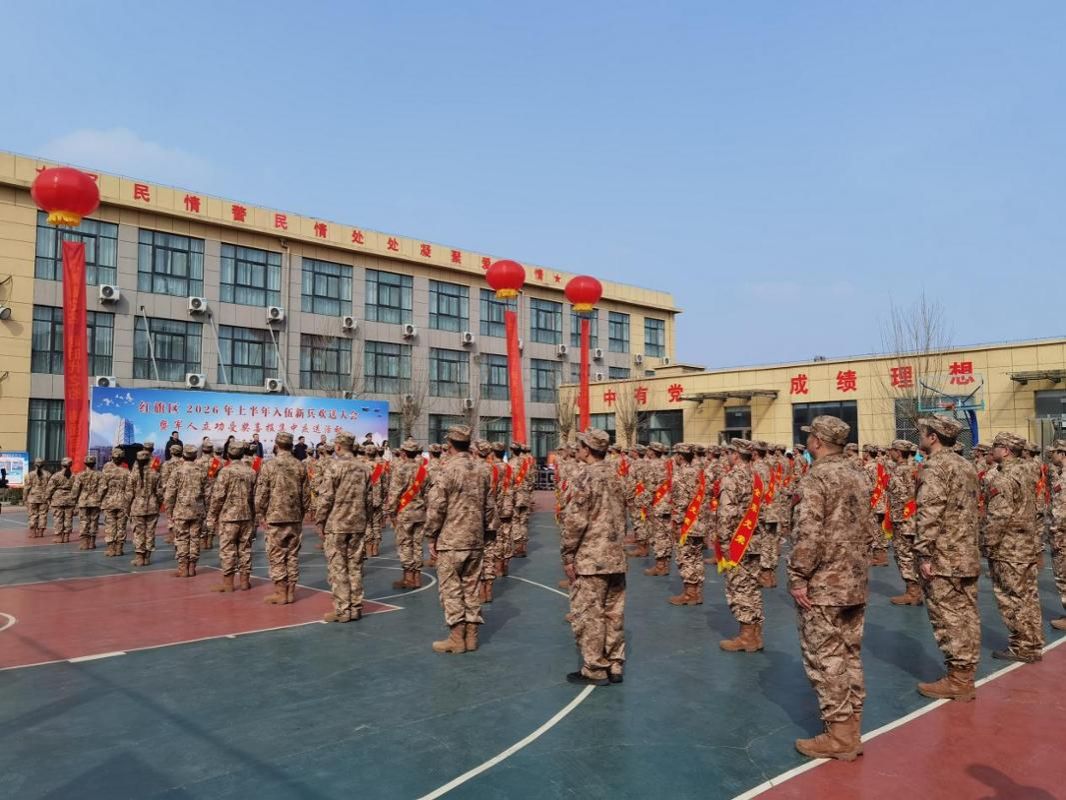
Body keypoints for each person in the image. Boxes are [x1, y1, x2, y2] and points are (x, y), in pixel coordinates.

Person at [789, 415, 875, 761]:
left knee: (825, 658)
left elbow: (808, 533)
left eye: (811, 437)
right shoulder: (859, 473)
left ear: (818, 442)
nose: (808, 441)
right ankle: (852, 726)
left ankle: (840, 735)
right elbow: (870, 527)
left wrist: (798, 575)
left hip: (825, 583)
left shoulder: (817, 477)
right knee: (849, 653)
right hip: (855, 579)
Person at [911, 416, 981, 701]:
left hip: (944, 556)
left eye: (923, 432)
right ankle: (965, 675)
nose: (920, 436)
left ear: (934, 437)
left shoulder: (935, 467)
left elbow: (930, 512)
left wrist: (923, 553)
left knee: (948, 617)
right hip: (966, 552)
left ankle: (958, 680)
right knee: (967, 615)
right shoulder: (966, 465)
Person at [559, 428, 627, 685]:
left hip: (591, 558)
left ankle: (595, 668)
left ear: (587, 450)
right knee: (614, 613)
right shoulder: (616, 475)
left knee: (590, 614)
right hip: (616, 556)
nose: (577, 451)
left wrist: (567, 555)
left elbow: (575, 521)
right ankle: (615, 663)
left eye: (580, 447)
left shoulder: (584, 476)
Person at [423, 425, 494, 654]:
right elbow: (490, 506)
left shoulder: (447, 469)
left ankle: (456, 638)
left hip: (452, 539)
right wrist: (487, 533)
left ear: (450, 444)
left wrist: (431, 535)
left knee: (451, 589)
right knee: (471, 588)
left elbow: (437, 506)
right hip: (475, 539)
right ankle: (471, 637)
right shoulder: (482, 469)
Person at [983, 431, 1044, 662]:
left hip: (1008, 548)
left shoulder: (1003, 478)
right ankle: (1033, 642)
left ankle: (1022, 647)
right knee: (1028, 597)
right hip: (1026, 543)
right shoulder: (1028, 471)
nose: (993, 450)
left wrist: (987, 544)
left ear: (1006, 451)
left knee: (1011, 599)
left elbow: (999, 516)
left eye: (996, 446)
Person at [316, 431, 373, 622]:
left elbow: (326, 497)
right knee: (355, 566)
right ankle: (356, 608)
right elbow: (369, 498)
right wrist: (367, 520)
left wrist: (320, 520)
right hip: (358, 523)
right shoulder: (365, 468)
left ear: (338, 446)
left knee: (338, 567)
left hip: (337, 524)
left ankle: (343, 610)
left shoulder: (334, 466)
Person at [718, 439, 764, 652]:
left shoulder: (732, 478)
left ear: (736, 455)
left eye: (730, 452)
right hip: (754, 540)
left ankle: (746, 637)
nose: (728, 456)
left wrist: (724, 542)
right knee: (752, 587)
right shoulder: (757, 477)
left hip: (739, 542)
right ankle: (756, 634)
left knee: (739, 588)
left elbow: (726, 513)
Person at [255, 431, 310, 605]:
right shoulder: (300, 465)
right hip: (294, 517)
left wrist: (260, 513)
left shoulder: (269, 465)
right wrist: (301, 513)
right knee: (292, 555)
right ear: (291, 446)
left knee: (276, 555)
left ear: (277, 446)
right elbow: (306, 495)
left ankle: (281, 593)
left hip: (275, 517)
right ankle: (291, 592)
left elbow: (262, 493)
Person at [208, 440, 257, 592]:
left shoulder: (225, 471)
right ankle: (245, 582)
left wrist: (212, 517)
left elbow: (218, 496)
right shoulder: (251, 472)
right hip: (246, 516)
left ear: (228, 454)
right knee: (245, 549)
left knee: (228, 550)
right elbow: (255, 497)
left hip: (229, 517)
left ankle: (228, 584)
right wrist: (255, 516)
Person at [667, 443, 708, 606]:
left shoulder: (680, 474)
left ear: (680, 457)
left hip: (687, 523)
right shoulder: (699, 472)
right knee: (697, 558)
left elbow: (680, 502)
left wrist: (677, 524)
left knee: (686, 558)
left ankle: (690, 594)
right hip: (700, 522)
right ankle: (697, 593)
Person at [387, 439, 430, 591]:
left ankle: (408, 577)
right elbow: (428, 493)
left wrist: (391, 512)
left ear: (404, 453)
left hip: (405, 512)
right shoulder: (424, 470)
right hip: (420, 512)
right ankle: (417, 577)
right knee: (417, 545)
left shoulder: (400, 469)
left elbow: (394, 493)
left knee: (405, 544)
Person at [886, 439, 923, 606]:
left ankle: (913, 592)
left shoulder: (900, 470)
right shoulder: (915, 468)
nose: (890, 453)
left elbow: (901, 496)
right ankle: (916, 589)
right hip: (913, 517)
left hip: (903, 518)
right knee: (912, 554)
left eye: (892, 450)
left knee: (904, 555)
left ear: (899, 452)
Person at [164, 445, 208, 576]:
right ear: (195, 456)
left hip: (181, 510)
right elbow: (207, 493)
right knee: (195, 538)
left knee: (182, 538)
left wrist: (169, 512)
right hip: (197, 510)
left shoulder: (177, 471)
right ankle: (192, 566)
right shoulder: (202, 471)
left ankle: (183, 568)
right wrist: (205, 510)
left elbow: (170, 494)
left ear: (184, 455)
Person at [642, 442, 674, 577]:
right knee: (667, 535)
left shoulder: (651, 465)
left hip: (657, 504)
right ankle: (665, 564)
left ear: (653, 452)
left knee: (658, 535)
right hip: (668, 503)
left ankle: (660, 566)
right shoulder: (668, 464)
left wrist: (645, 505)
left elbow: (649, 488)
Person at [127, 450, 163, 566]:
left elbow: (129, 494)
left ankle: (139, 557)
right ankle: (147, 557)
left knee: (139, 532)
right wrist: (158, 504)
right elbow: (160, 493)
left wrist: (127, 508)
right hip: (152, 507)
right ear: (148, 460)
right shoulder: (155, 474)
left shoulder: (133, 475)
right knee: (150, 532)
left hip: (137, 507)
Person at [1048, 439, 1066, 631]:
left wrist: (1056, 534)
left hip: (1062, 534)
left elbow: (1061, 511)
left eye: (1053, 452)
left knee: (1063, 577)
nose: (1050, 456)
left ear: (1062, 453)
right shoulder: (1061, 473)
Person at [100, 447, 131, 556]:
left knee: (110, 525)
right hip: (122, 501)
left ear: (112, 457)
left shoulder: (106, 470)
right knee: (121, 525)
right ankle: (119, 548)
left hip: (109, 501)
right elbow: (129, 490)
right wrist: (128, 502)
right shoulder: (126, 472)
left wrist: (100, 500)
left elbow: (103, 487)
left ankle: (111, 549)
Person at [71, 454, 105, 550]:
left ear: (85, 463)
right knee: (94, 521)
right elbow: (103, 488)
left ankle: (84, 542)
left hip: (83, 501)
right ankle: (92, 542)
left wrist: (74, 501)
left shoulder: (80, 475)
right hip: (95, 501)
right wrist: (99, 498)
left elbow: (75, 489)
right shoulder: (100, 474)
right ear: (94, 463)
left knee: (83, 521)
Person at [46, 457, 77, 543]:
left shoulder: (56, 476)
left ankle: (59, 537)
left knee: (58, 518)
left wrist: (48, 498)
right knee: (68, 518)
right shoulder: (74, 476)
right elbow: (76, 489)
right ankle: (66, 536)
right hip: (70, 499)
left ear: (61, 464)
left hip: (58, 500)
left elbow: (50, 489)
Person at [25, 457, 51, 538]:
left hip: (33, 498)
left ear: (34, 464)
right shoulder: (48, 474)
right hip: (44, 498)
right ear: (43, 464)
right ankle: (41, 532)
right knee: (43, 515)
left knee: (33, 515)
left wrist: (24, 498)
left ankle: (33, 532)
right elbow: (50, 487)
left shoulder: (30, 474)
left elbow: (26, 488)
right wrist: (49, 498)